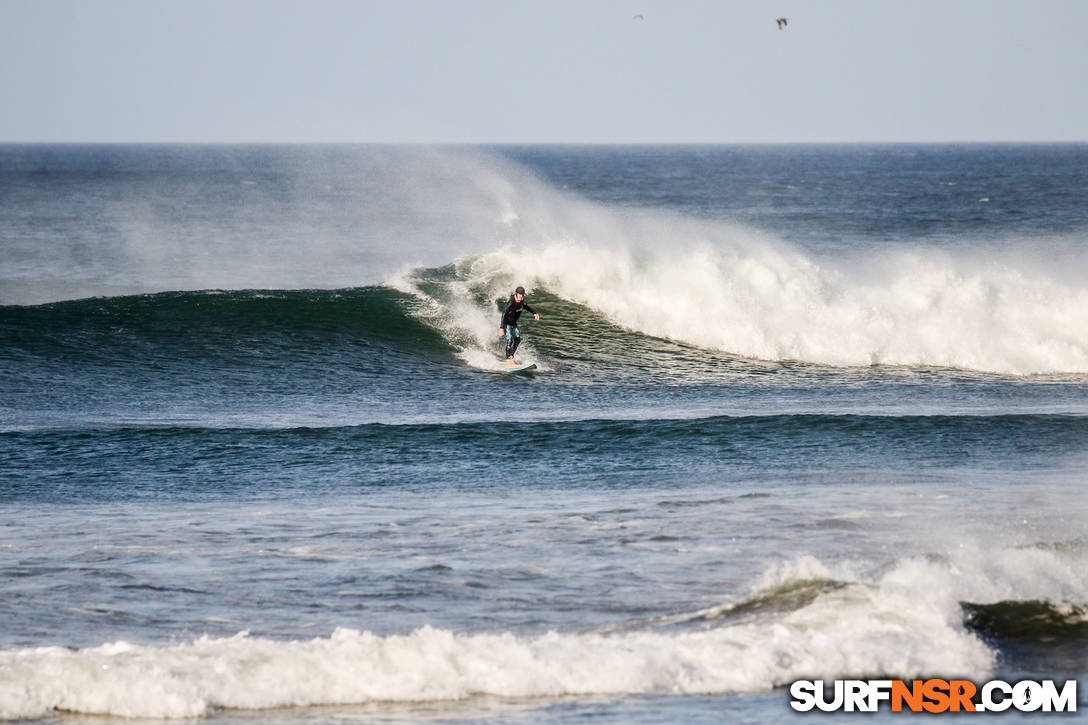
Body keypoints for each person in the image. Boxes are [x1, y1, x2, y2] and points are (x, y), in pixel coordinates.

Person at [498, 285, 541, 366]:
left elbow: (526, 306)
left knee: (517, 340)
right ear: (516, 294)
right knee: (510, 340)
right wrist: (501, 328)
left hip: (514, 324)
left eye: (522, 295)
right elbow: (504, 314)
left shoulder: (521, 301)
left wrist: (535, 313)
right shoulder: (511, 302)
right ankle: (508, 360)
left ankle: (511, 357)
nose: (521, 297)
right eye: (520, 295)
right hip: (507, 324)